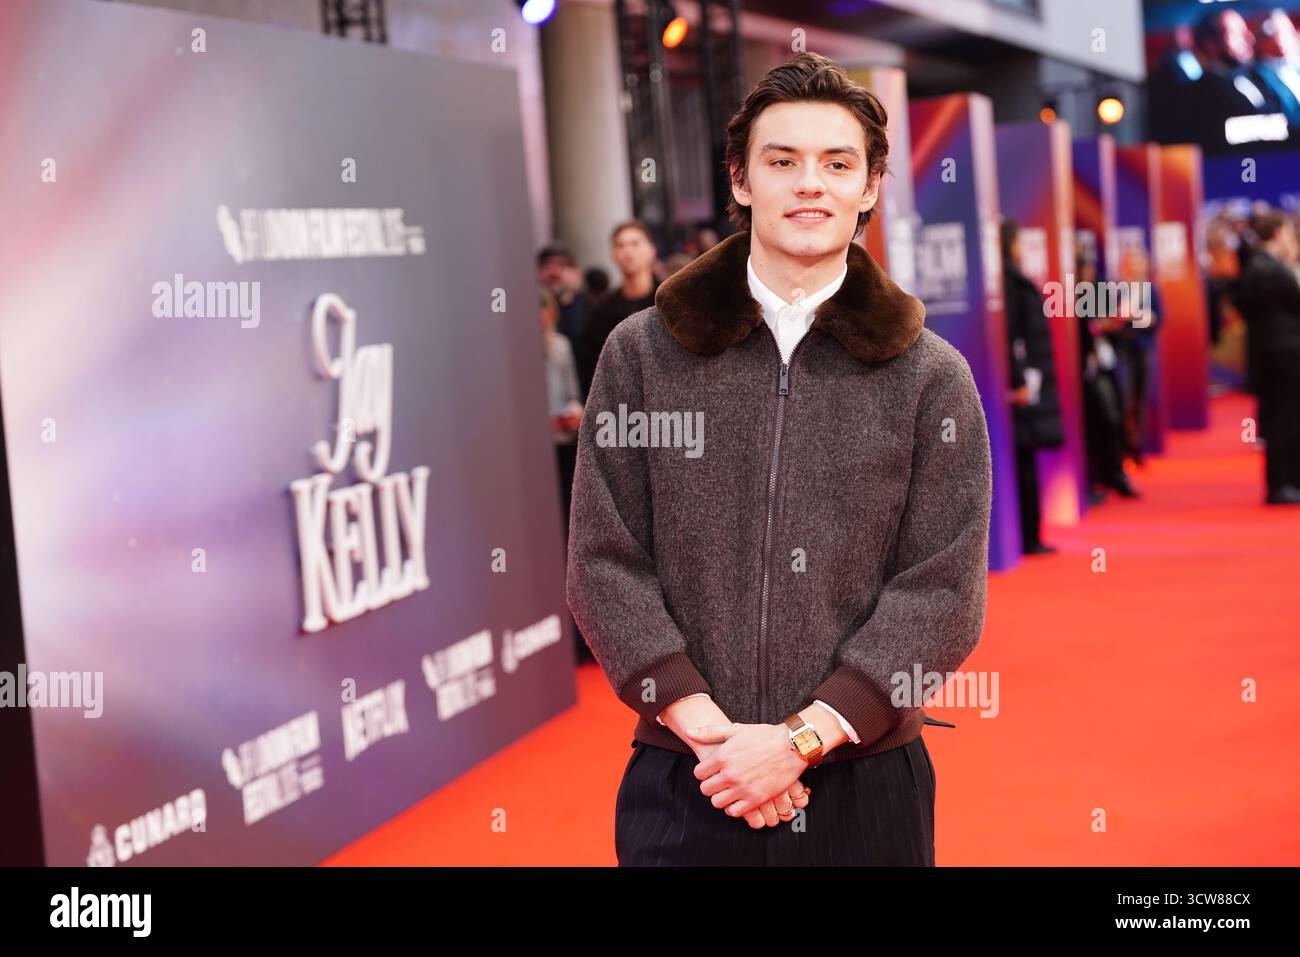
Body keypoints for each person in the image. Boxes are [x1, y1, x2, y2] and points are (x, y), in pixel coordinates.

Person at [567, 52, 991, 866]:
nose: (810, 184)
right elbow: (603, 556)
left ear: (869, 188)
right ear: (740, 179)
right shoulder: (641, 354)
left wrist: (799, 740)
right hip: (688, 771)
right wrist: (716, 737)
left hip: (864, 780)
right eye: (782, 160)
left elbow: (942, 590)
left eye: (837, 164)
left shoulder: (931, 375)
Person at [1001, 218, 1064, 555]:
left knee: (1025, 457)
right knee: (1021, 459)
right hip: (1021, 385)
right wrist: (1018, 379)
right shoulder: (1009, 284)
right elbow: (1009, 336)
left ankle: (1030, 533)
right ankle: (1027, 535)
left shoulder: (1015, 281)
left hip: (1027, 380)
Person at [539, 286, 594, 662]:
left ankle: (580, 637)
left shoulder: (559, 346)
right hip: (533, 456)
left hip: (565, 449)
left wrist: (577, 413)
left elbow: (575, 392)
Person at [1235, 211, 1300, 503]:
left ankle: (1285, 481)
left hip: (1276, 355)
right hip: (1282, 357)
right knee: (1284, 420)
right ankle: (1282, 483)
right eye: (1288, 234)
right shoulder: (1268, 269)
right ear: (1277, 235)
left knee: (1282, 418)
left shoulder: (1261, 267)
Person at [574, 220, 660, 400]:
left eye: (635, 244)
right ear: (614, 255)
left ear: (651, 251)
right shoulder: (601, 314)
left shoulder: (670, 303)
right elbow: (592, 368)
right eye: (621, 245)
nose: (628, 252)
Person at [537, 243, 591, 395]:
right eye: (547, 266)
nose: (554, 272)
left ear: (577, 273)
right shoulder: (526, 314)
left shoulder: (592, 311)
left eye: (562, 265)